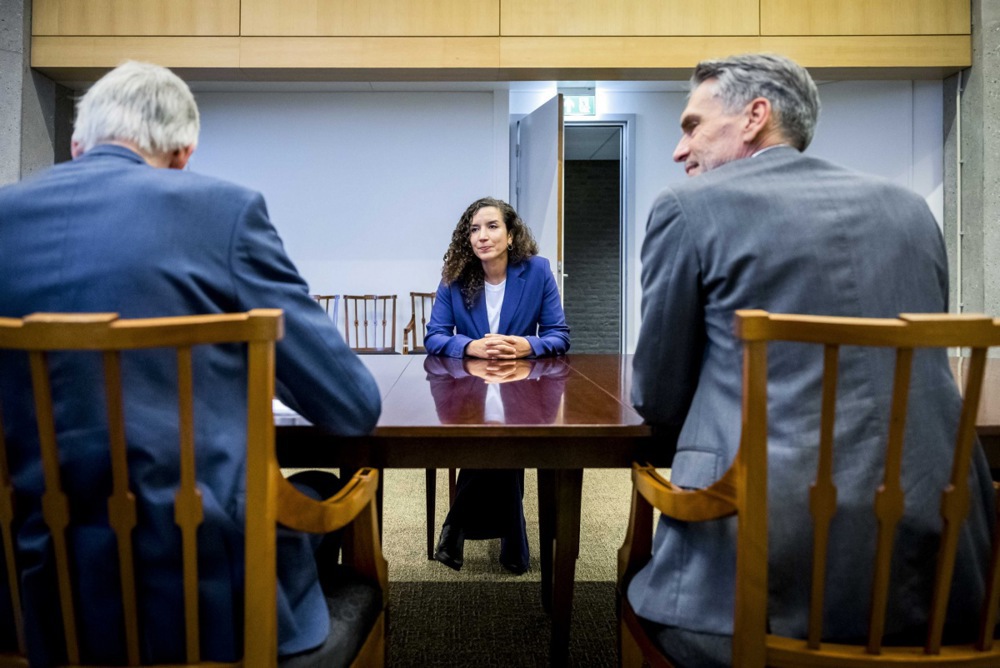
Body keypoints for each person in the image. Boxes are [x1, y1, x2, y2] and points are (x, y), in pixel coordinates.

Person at [0, 61, 382, 665]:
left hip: (33, 594)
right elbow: (353, 406)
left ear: (77, 147)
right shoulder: (222, 212)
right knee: (318, 488)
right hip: (211, 602)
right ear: (183, 153)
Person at [629, 53, 995, 666]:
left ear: (755, 117)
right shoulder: (912, 212)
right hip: (944, 596)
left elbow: (658, 396)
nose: (678, 149)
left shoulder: (688, 210)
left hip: (753, 599)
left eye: (691, 125)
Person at [424, 197, 570, 574]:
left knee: (503, 431)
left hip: (523, 386)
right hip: (467, 388)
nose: (482, 236)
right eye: (474, 229)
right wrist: (470, 346)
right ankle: (513, 542)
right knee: (496, 434)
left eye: (491, 227)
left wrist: (527, 345)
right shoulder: (455, 276)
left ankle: (456, 527)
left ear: (510, 235)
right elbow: (435, 336)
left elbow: (559, 335)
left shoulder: (537, 272)